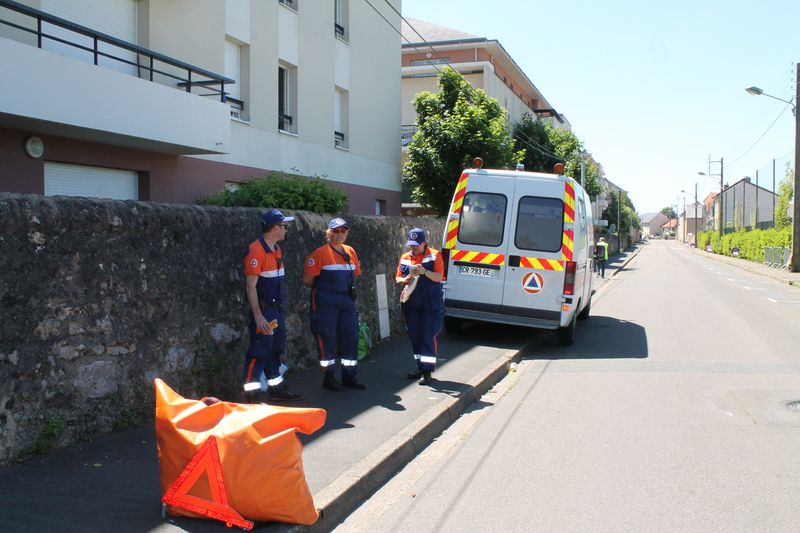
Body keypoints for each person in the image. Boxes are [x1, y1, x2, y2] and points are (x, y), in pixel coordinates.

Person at [241, 209, 303, 403]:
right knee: (259, 352)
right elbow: (250, 286)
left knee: (275, 350)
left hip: (276, 310)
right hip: (265, 310)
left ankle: (276, 388)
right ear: (275, 228)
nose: (286, 229)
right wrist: (258, 316)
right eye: (284, 226)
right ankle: (251, 395)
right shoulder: (256, 250)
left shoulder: (276, 249)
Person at [303, 217, 366, 391]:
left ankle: (349, 376)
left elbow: (356, 274)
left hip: (346, 300)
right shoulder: (319, 254)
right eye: (335, 231)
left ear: (347, 233)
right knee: (326, 337)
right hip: (325, 300)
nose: (339, 234)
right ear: (329, 233)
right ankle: (329, 377)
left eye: (343, 231)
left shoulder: (350, 251)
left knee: (350, 337)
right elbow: (308, 280)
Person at [395, 228, 444, 386]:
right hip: (412, 304)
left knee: (427, 336)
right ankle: (419, 367)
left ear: (424, 243)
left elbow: (439, 277)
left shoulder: (434, 255)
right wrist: (407, 279)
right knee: (414, 336)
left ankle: (427, 372)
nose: (413, 248)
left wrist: (424, 272)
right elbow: (398, 279)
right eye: (411, 245)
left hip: (430, 304)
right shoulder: (405, 257)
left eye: (416, 245)